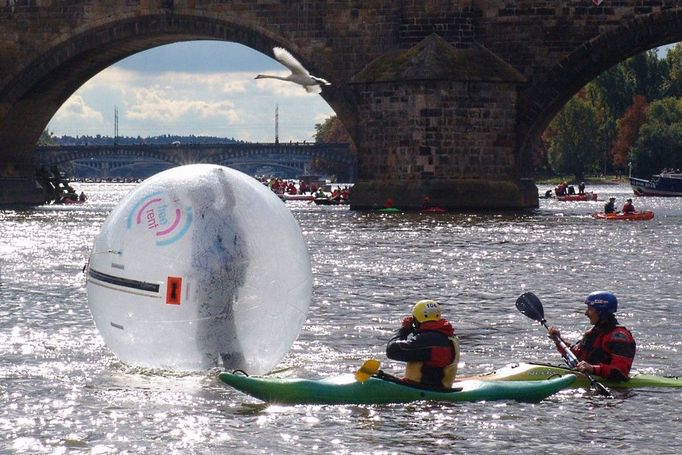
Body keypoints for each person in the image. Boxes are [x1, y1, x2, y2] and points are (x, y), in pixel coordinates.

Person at [548, 291, 636, 381]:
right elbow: (576, 356)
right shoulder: (592, 333)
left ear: (601, 311)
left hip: (614, 388)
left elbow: (620, 372)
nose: (586, 313)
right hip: (588, 377)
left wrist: (592, 368)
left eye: (590, 309)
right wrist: (558, 340)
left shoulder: (620, 337)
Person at [386, 300, 460, 388]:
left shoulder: (426, 339)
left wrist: (404, 331)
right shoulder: (449, 336)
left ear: (416, 320)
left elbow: (392, 350)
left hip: (421, 389)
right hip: (442, 388)